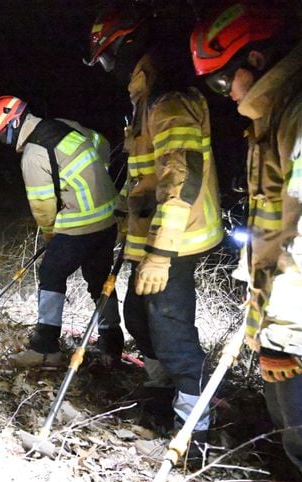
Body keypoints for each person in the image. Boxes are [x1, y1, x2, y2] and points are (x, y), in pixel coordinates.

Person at [191, 2, 302, 482]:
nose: (225, 92)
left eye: (223, 79)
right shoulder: (277, 114)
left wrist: (284, 334)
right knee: (299, 432)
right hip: (296, 319)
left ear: (256, 56)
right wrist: (258, 308)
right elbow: (274, 223)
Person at [85, 2, 224, 459]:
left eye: (107, 55)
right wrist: (129, 221)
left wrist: (161, 254)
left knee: (171, 329)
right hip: (151, 238)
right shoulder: (144, 99)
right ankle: (160, 398)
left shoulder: (169, 97)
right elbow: (146, 178)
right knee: (138, 317)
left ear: (127, 46)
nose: (107, 67)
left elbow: (181, 177)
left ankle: (194, 431)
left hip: (176, 240)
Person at [0, 95, 124, 369]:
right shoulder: (63, 125)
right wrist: (98, 177)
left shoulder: (34, 154)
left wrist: (50, 235)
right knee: (99, 280)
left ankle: (45, 347)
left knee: (51, 272)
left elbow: (43, 207)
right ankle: (112, 342)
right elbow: (102, 144)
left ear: (13, 125)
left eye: (2, 136)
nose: (5, 143)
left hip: (80, 223)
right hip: (108, 218)